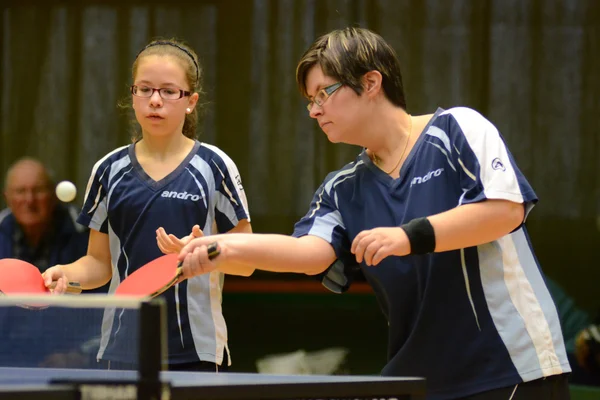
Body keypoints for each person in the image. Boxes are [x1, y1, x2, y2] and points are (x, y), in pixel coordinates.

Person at [164, 27, 572, 399]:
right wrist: (224, 247)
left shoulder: (457, 130)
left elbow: (504, 210)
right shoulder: (343, 188)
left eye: (324, 93)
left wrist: (406, 236)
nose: (314, 110)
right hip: (420, 380)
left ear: (371, 82)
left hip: (510, 368)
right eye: (310, 100)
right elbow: (310, 253)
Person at [44, 38, 253, 372]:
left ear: (191, 102)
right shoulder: (108, 170)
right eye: (145, 89)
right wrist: (65, 275)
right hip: (122, 349)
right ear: (133, 95)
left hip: (196, 350)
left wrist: (203, 251)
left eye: (170, 91)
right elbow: (100, 264)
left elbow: (247, 263)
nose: (155, 100)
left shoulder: (215, 167)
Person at [0, 157, 88, 270]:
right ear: (7, 197)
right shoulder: (2, 227)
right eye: (20, 191)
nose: (30, 200)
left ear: (54, 194)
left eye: (38, 190)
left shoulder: (83, 229)